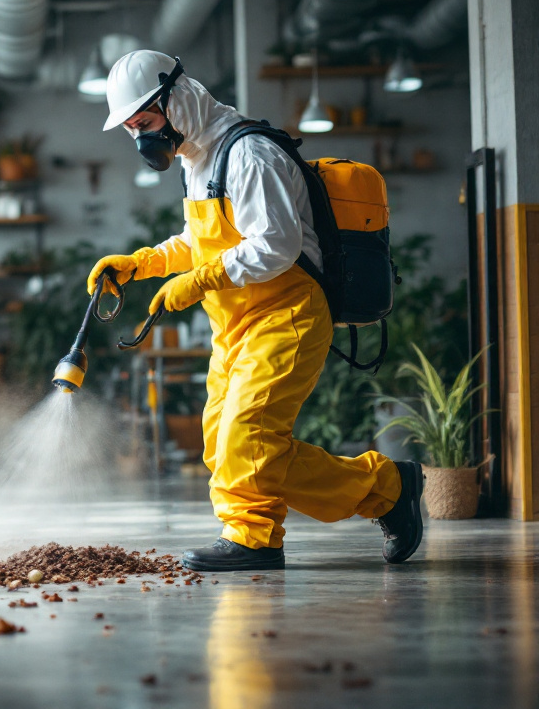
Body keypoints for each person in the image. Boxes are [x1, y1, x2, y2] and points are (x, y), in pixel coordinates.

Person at [91, 50, 423, 572]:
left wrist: (199, 281)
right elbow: (200, 240)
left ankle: (258, 537)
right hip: (237, 325)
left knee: (249, 439)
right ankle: (384, 489)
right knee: (224, 447)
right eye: (133, 130)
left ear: (174, 100)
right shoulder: (196, 159)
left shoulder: (248, 154)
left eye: (147, 123)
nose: (143, 139)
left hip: (286, 316)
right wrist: (142, 264)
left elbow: (275, 245)